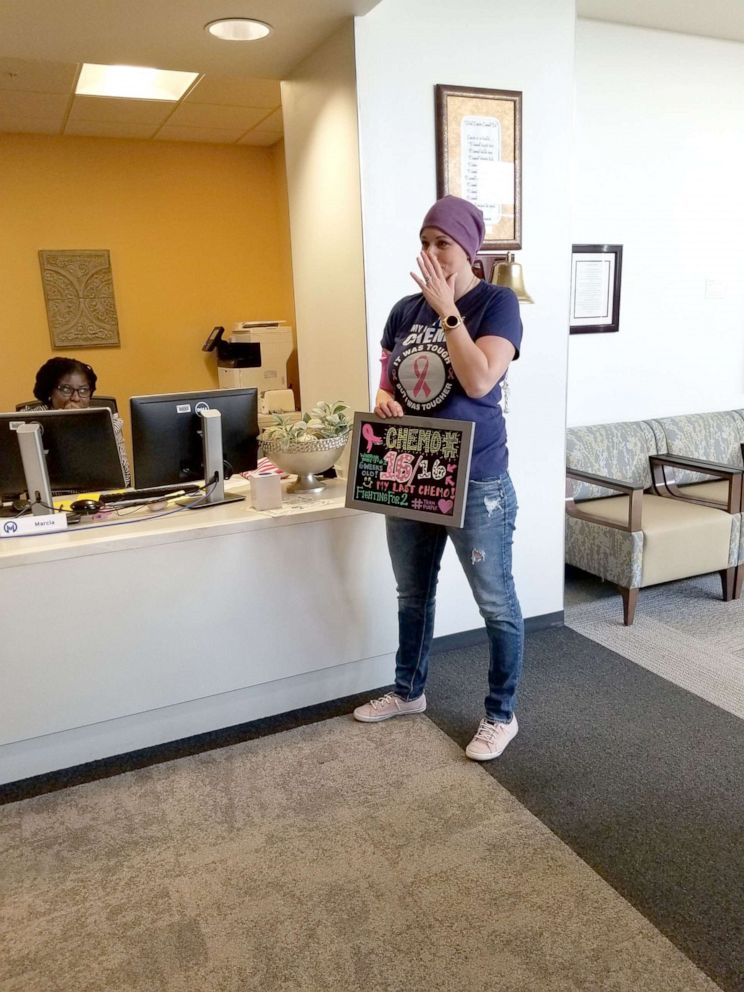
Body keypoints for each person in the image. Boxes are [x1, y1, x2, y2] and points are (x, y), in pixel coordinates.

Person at [353, 195, 524, 761]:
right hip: (412, 470)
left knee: (495, 604)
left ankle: (501, 714)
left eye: (442, 243)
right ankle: (408, 690)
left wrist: (449, 310)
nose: (430, 252)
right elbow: (387, 380)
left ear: (468, 250)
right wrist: (383, 399)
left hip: (476, 480)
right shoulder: (404, 310)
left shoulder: (497, 304)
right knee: (412, 593)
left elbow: (478, 382)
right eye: (424, 241)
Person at [24, 357, 131, 486]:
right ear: (50, 391)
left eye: (83, 390)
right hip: (49, 499)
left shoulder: (108, 423)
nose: (75, 398)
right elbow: (22, 477)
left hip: (96, 497)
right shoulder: (28, 423)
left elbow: (125, 478)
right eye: (66, 389)